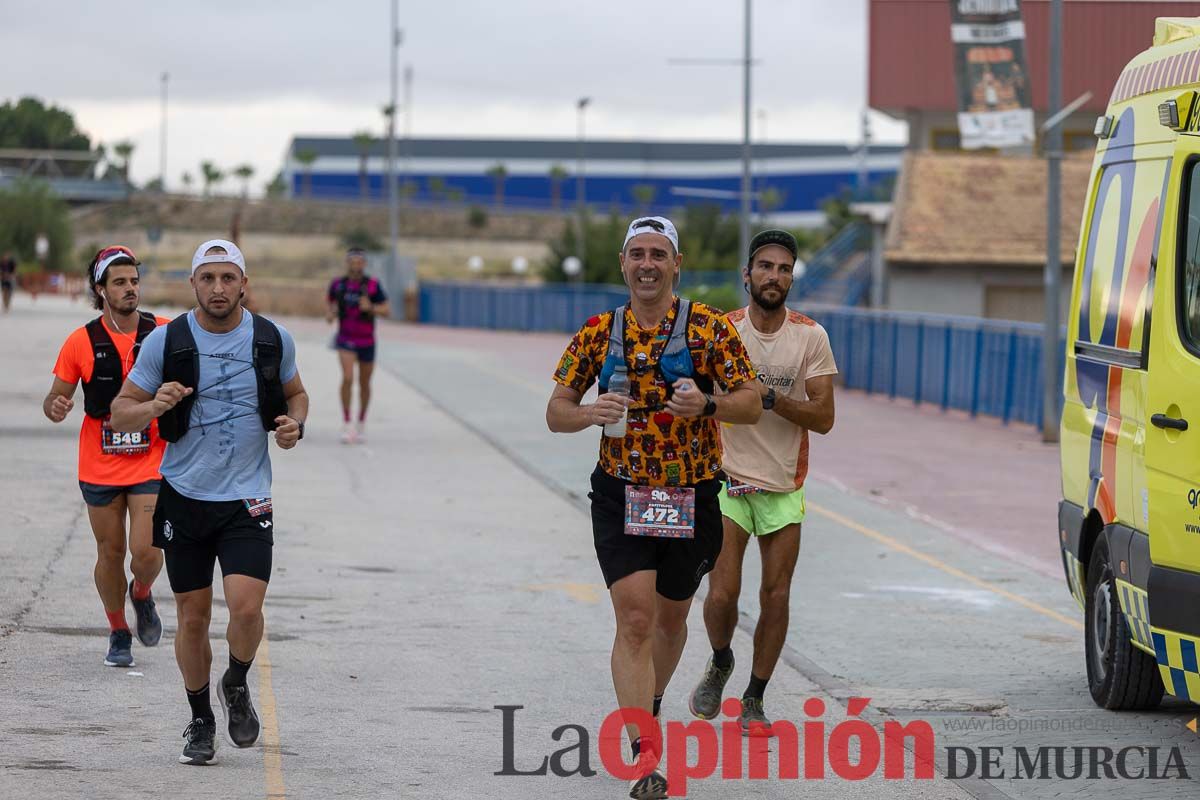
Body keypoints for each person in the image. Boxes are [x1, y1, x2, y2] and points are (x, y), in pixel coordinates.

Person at [546, 216, 761, 799]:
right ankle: (646, 750)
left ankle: (653, 699)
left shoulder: (709, 329)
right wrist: (586, 413)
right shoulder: (598, 331)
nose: (647, 264)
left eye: (657, 254)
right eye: (637, 254)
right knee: (635, 619)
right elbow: (556, 409)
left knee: (670, 619)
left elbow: (751, 403)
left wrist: (708, 404)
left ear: (676, 263)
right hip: (620, 491)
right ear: (622, 264)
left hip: (691, 495)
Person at [110, 239, 309, 766]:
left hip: (247, 498)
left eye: (227, 278)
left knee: (247, 608)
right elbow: (119, 413)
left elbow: (296, 393)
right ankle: (199, 720)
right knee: (193, 619)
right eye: (207, 278)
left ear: (243, 283)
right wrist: (155, 404)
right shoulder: (167, 341)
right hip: (185, 497)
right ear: (192, 284)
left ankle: (236, 681)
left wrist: (295, 425)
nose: (217, 288)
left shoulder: (271, 338)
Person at [688, 230, 837, 735]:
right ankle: (721, 658)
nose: (775, 276)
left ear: (792, 277)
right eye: (766, 267)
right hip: (727, 477)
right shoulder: (721, 331)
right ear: (746, 275)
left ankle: (754, 698)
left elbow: (823, 417)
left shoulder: (810, 337)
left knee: (776, 595)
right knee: (722, 596)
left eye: (784, 268)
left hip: (783, 483)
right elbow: (697, 400)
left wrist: (767, 399)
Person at [43, 245, 169, 668]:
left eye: (134, 281)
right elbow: (55, 398)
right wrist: (56, 407)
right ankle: (118, 630)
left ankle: (143, 593)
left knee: (148, 550)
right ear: (100, 290)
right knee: (110, 554)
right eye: (120, 282)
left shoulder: (164, 332)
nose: (130, 288)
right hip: (100, 463)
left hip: (152, 458)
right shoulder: (81, 341)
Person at [327, 247, 389, 443]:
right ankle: (346, 422)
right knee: (347, 378)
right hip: (346, 338)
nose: (356, 265)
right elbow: (330, 307)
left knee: (364, 383)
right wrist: (331, 313)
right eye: (352, 261)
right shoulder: (338, 285)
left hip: (367, 340)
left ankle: (361, 422)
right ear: (348, 263)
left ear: (364, 263)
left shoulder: (372, 285)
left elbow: (387, 310)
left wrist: (371, 307)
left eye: (359, 261)